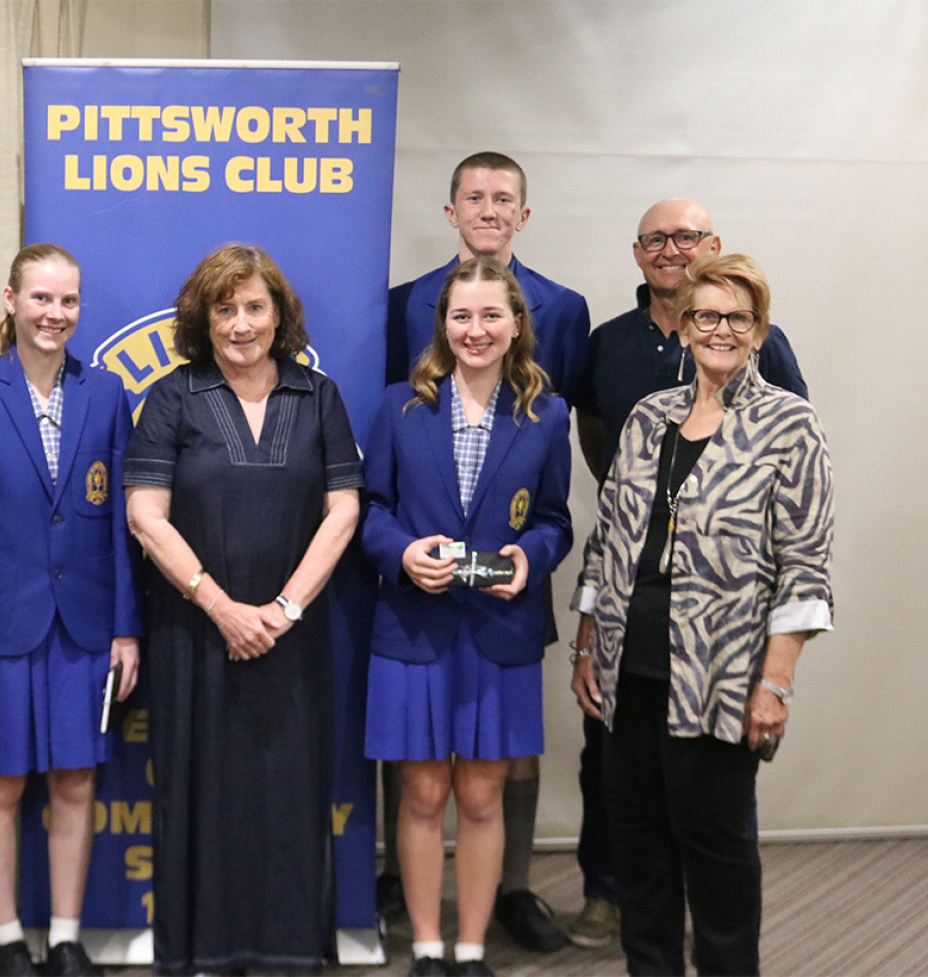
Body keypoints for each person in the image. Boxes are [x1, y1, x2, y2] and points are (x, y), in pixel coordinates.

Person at [570, 253, 833, 976]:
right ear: (684, 327)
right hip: (630, 671)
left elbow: (806, 565)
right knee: (641, 857)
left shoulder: (789, 423)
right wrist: (586, 645)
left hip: (721, 679)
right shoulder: (649, 417)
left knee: (717, 865)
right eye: (706, 315)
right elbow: (610, 536)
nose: (721, 330)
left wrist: (774, 684)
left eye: (738, 318)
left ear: (758, 331)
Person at [124, 243, 362, 975]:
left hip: (294, 637)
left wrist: (284, 608)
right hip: (194, 637)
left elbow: (345, 509)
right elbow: (144, 515)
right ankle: (201, 951)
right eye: (224, 308)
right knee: (202, 794)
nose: (240, 324)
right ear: (203, 317)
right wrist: (224, 608)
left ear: (279, 314)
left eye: (254, 306)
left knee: (287, 796)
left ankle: (288, 950)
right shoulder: (173, 396)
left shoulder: (316, 395)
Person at [384, 150, 588, 952]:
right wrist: (402, 550)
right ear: (453, 209)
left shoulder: (559, 331)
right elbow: (378, 491)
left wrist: (530, 559)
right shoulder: (402, 322)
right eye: (475, 195)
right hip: (419, 601)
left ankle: (502, 903)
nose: (490, 209)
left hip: (502, 604)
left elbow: (550, 502)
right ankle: (424, 925)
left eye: (505, 197)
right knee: (421, 778)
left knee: (489, 780)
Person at [0, 243, 141, 977]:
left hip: (86, 627)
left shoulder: (108, 394)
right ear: (11, 301)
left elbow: (122, 524)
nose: (54, 313)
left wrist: (125, 628)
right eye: (41, 298)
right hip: (1, 626)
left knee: (76, 780)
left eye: (67, 301)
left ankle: (64, 934)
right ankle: (3, 937)